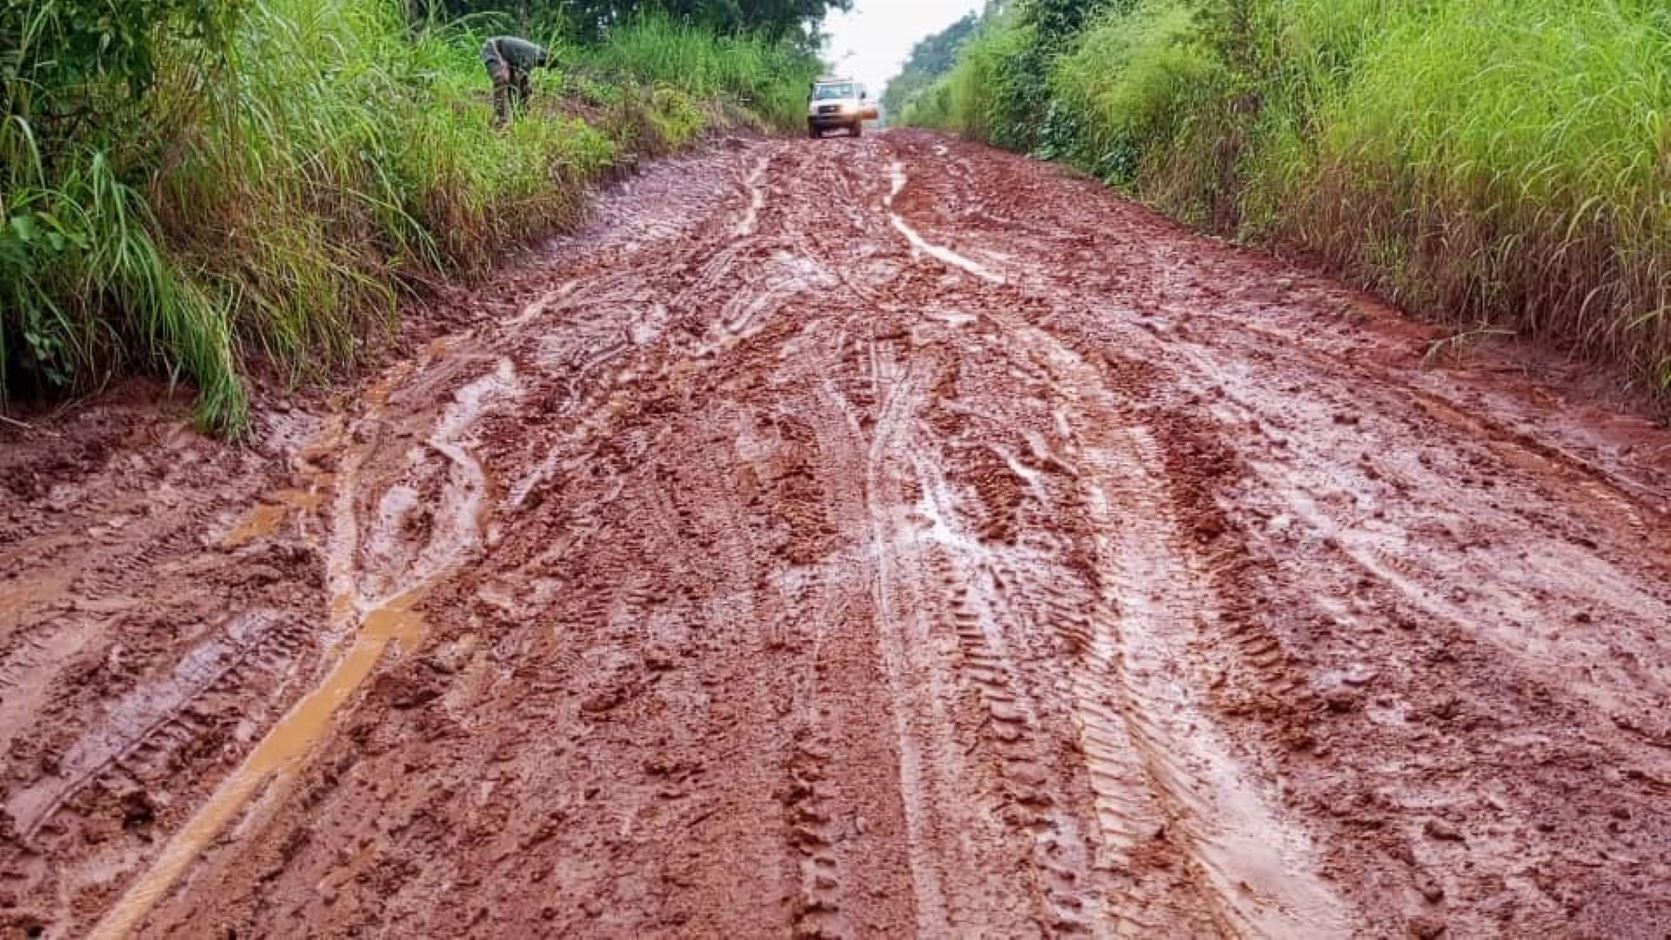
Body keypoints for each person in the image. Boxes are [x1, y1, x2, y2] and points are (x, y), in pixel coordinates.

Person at [481, 36, 553, 125]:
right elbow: (523, 75)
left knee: (520, 87)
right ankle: (500, 117)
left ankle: (520, 115)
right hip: (494, 49)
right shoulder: (533, 55)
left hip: (508, 58)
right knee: (501, 79)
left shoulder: (536, 53)